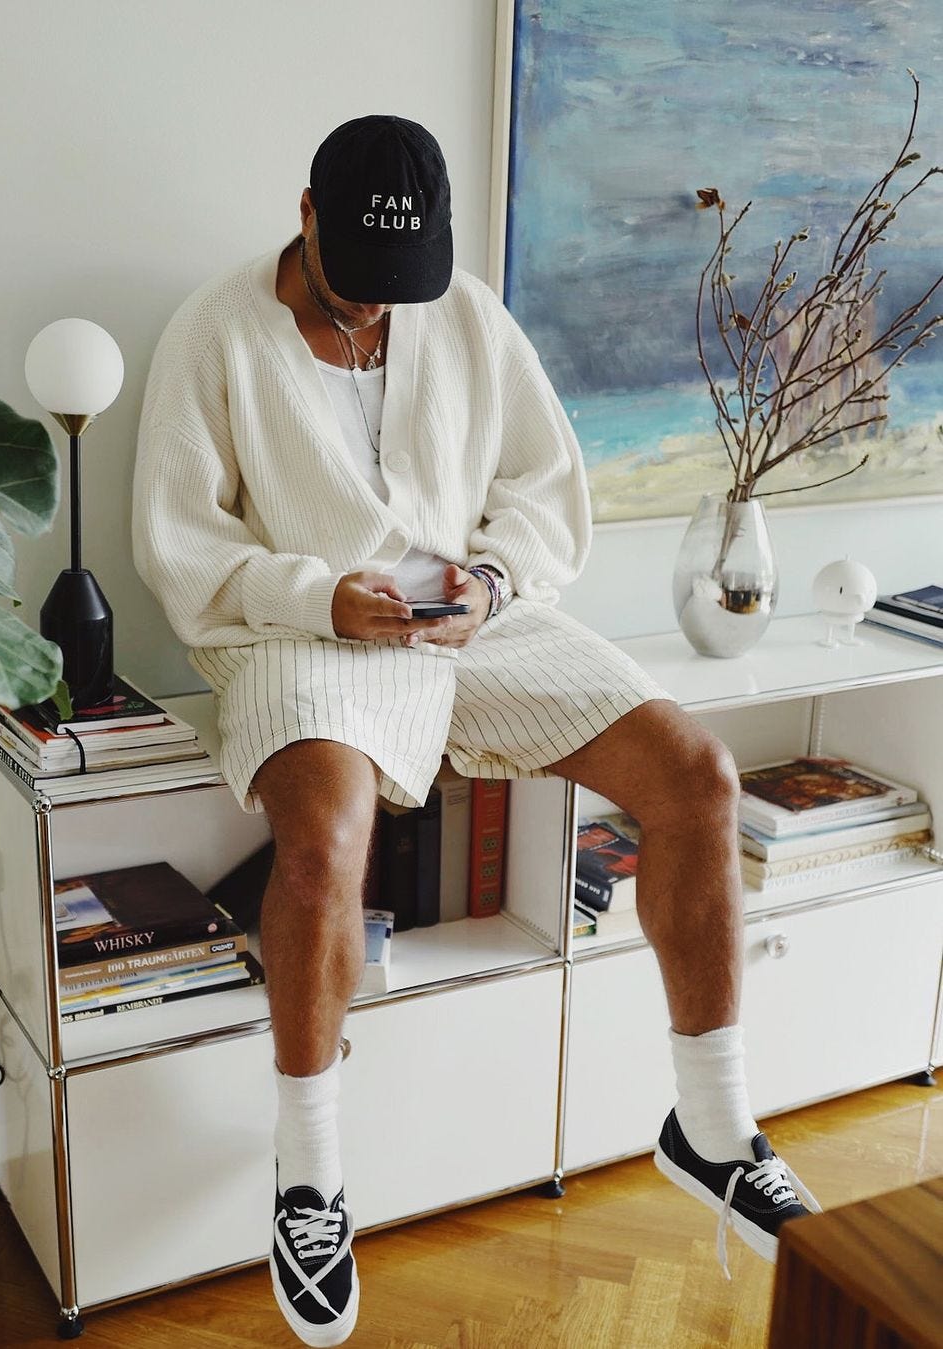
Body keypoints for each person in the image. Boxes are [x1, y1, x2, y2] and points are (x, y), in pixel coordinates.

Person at [132, 114, 820, 1347]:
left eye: (412, 286)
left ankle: (711, 1127)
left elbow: (547, 490)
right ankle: (309, 1174)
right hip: (304, 631)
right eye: (365, 282)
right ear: (305, 215)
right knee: (320, 843)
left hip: (475, 618)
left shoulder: (466, 311)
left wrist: (494, 584)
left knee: (697, 775)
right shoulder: (215, 333)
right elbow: (183, 544)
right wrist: (316, 594)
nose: (391, 311)